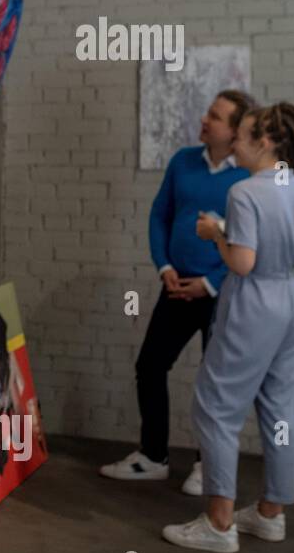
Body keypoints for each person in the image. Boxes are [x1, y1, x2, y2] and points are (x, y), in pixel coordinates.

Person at [163, 102, 294, 553]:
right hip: (291, 303)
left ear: (266, 142)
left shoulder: (246, 192)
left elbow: (243, 261)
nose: (235, 139)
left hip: (253, 304)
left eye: (245, 133)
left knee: (215, 407)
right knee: (280, 409)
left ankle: (218, 524)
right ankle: (271, 514)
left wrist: (216, 232)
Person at [100, 90, 254, 490]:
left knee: (215, 383)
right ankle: (153, 456)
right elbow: (159, 215)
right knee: (150, 366)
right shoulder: (183, 161)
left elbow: (253, 242)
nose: (205, 120)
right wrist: (164, 266)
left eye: (216, 117)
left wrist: (210, 282)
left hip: (223, 294)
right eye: (208, 113)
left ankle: (209, 466)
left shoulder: (249, 176)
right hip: (176, 285)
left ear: (235, 131)